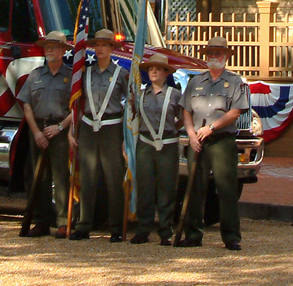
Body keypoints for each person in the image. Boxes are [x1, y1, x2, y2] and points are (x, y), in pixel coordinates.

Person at [176, 36, 249, 251]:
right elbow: (186, 111)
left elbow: (235, 112)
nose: (213, 57)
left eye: (218, 53)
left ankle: (231, 236)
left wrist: (212, 127)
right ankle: (193, 234)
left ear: (226, 56)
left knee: (226, 189)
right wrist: (191, 134)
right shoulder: (195, 82)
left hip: (221, 140)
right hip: (197, 141)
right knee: (194, 189)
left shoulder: (235, 82)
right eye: (210, 53)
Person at [71, 28, 128, 241]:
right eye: (97, 45)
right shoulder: (85, 73)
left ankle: (115, 227)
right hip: (88, 126)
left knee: (114, 178)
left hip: (111, 126)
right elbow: (77, 104)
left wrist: (126, 138)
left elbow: (129, 104)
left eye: (104, 45)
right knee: (87, 177)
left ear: (112, 48)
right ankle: (84, 224)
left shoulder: (121, 74)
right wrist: (73, 131)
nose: (100, 49)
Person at [19, 30, 73, 238]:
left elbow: (75, 107)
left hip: (59, 130)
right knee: (39, 178)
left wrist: (60, 127)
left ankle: (62, 222)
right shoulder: (35, 75)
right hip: (39, 130)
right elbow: (26, 106)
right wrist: (35, 132)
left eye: (53, 47)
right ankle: (41, 222)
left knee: (61, 177)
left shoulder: (70, 77)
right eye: (47, 47)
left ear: (62, 51)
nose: (49, 50)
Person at [130, 51, 182, 245]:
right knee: (144, 187)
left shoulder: (175, 95)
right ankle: (143, 230)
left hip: (167, 144)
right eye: (151, 69)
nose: (153, 72)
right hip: (145, 144)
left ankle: (165, 231)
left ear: (165, 73)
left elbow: (183, 118)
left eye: (158, 69)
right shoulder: (141, 94)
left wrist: (172, 131)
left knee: (166, 188)